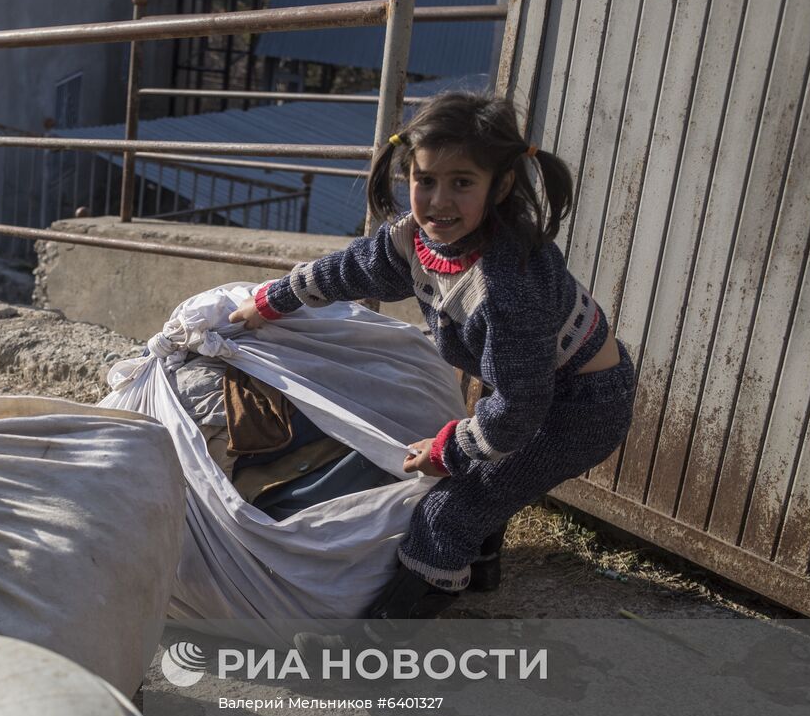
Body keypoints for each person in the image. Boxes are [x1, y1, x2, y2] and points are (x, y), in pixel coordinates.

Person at [230, 92, 636, 621]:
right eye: (425, 181)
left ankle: (386, 639)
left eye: (462, 183)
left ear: (501, 185)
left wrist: (449, 450)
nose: (440, 201)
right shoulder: (417, 243)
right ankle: (481, 570)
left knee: (449, 509)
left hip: (581, 407)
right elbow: (350, 269)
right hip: (530, 387)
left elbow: (520, 406)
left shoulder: (507, 284)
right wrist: (273, 301)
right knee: (490, 474)